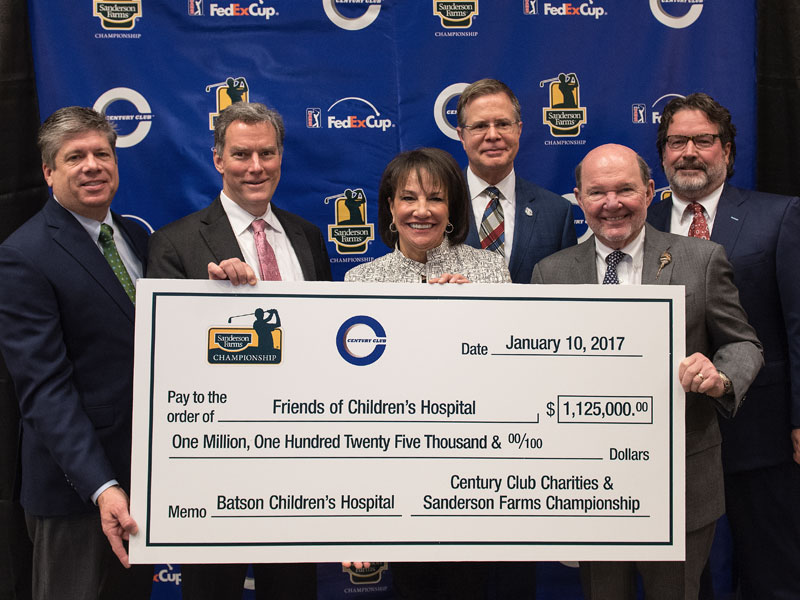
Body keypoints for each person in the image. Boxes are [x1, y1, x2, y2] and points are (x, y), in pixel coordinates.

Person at [531, 143, 763, 600]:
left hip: (680, 482)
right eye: (597, 192)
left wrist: (719, 375)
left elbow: (743, 342)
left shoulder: (701, 259)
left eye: (625, 190)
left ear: (650, 191)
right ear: (578, 199)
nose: (611, 203)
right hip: (589, 484)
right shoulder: (551, 273)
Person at [147, 101, 329, 599]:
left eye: (267, 153)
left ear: (280, 156)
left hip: (297, 454)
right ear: (217, 160)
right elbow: (168, 363)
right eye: (242, 154)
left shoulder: (308, 237)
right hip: (215, 458)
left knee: (292, 589)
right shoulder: (175, 244)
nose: (256, 167)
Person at [648, 92, 800, 599]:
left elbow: (798, 325)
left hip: (762, 434)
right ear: (662, 154)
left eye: (703, 140)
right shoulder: (637, 226)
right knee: (691, 582)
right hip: (677, 439)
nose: (689, 151)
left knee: (772, 572)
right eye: (676, 142)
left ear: (727, 152)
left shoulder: (778, 217)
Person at [0, 106, 153, 599]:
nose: (92, 165)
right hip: (76, 492)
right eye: (74, 157)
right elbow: (45, 390)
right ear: (48, 172)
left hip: (141, 484)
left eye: (101, 154)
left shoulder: (137, 236)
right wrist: (102, 486)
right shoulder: (23, 256)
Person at [345, 147, 509, 598]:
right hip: (397, 468)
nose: (422, 211)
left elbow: (508, 372)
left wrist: (472, 313)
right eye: (408, 198)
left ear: (452, 208)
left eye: (435, 198)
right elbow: (354, 391)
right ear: (390, 208)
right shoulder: (361, 281)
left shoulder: (488, 269)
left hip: (472, 471)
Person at [456, 78, 576, 284]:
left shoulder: (557, 213)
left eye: (503, 124)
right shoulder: (439, 206)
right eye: (480, 126)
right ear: (461, 136)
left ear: (518, 130)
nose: (493, 135)